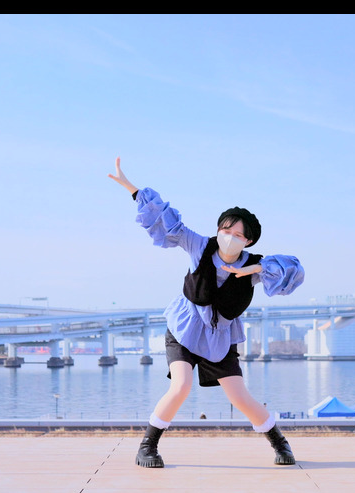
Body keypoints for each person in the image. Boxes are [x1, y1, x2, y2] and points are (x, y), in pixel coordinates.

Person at [108, 158, 305, 468]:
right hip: (184, 329)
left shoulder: (254, 265)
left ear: (248, 240)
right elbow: (166, 220)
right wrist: (131, 188)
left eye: (237, 234)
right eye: (225, 229)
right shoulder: (198, 245)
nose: (229, 236)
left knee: (240, 397)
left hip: (219, 337)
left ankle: (280, 443)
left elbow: (292, 270)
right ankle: (148, 446)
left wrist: (255, 269)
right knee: (181, 386)